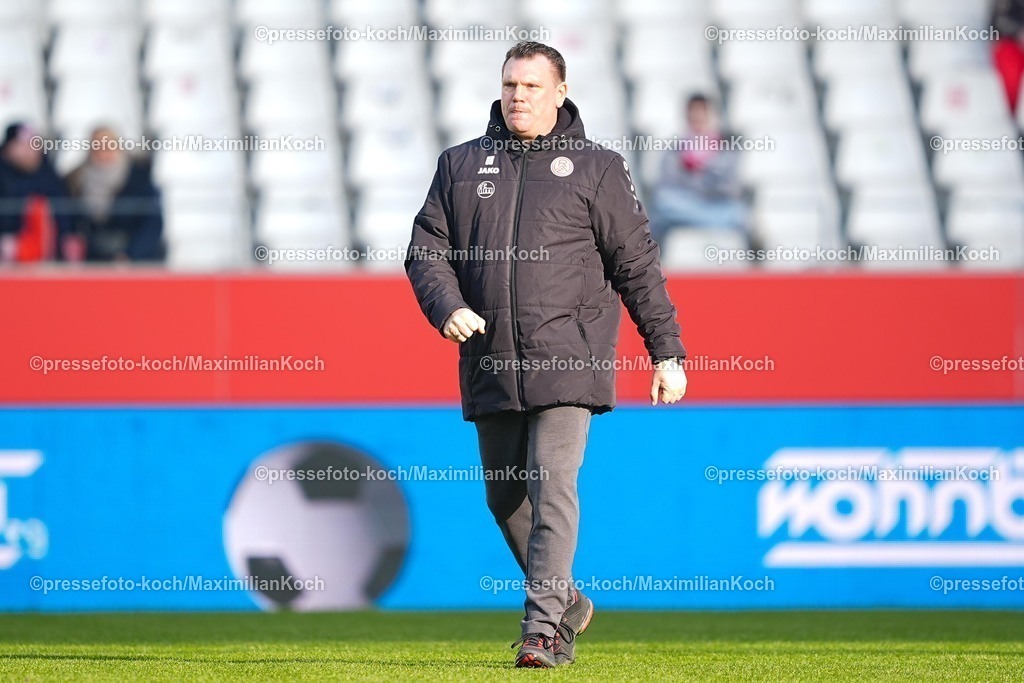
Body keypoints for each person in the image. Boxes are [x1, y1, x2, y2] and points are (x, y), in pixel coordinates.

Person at [405, 41, 687, 668]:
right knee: (505, 498)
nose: (518, 96)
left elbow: (637, 267)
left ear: (560, 93)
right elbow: (426, 252)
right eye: (510, 85)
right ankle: (569, 604)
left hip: (571, 356)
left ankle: (542, 632)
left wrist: (665, 352)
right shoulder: (459, 166)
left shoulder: (597, 168)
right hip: (490, 357)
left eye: (532, 86)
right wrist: (446, 305)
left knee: (552, 483)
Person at [649, 94, 747, 243]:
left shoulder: (725, 148)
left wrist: (703, 175)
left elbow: (731, 187)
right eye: (692, 114)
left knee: (738, 212)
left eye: (701, 113)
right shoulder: (675, 149)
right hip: (683, 204)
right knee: (663, 203)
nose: (697, 118)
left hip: (715, 207)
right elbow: (666, 185)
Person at [66, 126, 164, 262]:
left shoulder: (140, 178)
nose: (104, 151)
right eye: (98, 146)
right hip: (93, 262)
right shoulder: (75, 181)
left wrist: (130, 256)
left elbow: (151, 224)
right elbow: (72, 225)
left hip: (135, 263)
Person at [0, 122, 78, 262]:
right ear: (7, 149)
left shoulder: (49, 176)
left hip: (49, 254)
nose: (30, 151)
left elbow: (65, 216)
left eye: (34, 145)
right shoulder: (4, 175)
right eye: (22, 145)